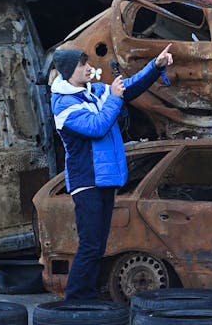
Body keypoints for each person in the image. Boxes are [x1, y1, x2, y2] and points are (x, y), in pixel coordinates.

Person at [49, 44, 174, 301]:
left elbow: (129, 87)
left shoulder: (95, 91)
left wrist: (156, 66)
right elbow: (97, 127)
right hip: (87, 182)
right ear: (69, 71)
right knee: (90, 246)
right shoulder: (63, 105)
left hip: (105, 180)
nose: (88, 68)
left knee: (98, 247)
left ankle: (88, 298)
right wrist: (115, 98)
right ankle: (75, 301)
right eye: (82, 65)